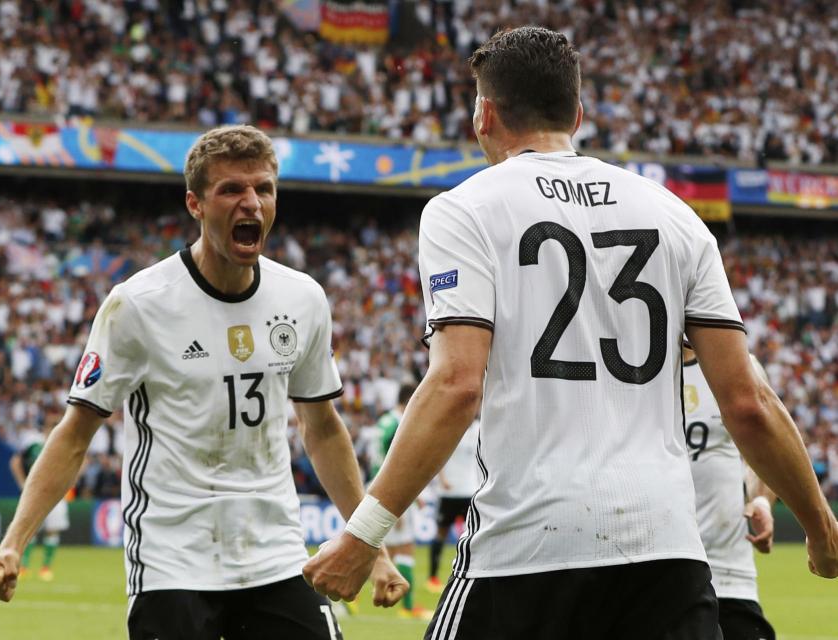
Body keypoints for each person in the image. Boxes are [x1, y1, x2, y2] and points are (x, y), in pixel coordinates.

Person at [303, 26, 838, 640]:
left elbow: (455, 385)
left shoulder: (463, 210)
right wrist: (821, 528)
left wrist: (363, 533)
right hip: (665, 551)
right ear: (578, 113)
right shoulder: (674, 215)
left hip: (530, 545)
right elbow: (748, 401)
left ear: (484, 114)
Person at [0, 124, 407, 639]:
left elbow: (321, 428)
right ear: (195, 204)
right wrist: (13, 544)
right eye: (231, 189)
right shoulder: (138, 304)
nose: (251, 203)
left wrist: (373, 548)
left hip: (273, 551)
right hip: (172, 559)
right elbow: (75, 434)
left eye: (264, 189)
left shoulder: (303, 298)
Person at [683, 343, 777, 640]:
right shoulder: (633, 373)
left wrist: (761, 499)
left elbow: (766, 449)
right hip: (665, 573)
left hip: (729, 575)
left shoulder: (738, 366)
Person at [368, 382, 432, 620]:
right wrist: (405, 504)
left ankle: (352, 600)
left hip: (376, 491)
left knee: (389, 552)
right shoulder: (398, 424)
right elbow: (399, 466)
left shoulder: (384, 421)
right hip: (390, 493)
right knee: (404, 549)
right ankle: (407, 608)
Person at [10, 417, 70, 582]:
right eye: (51, 425)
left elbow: (79, 461)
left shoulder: (66, 443)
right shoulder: (32, 443)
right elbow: (15, 461)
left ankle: (46, 568)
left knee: (52, 530)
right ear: (45, 427)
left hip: (57, 492)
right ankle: (23, 566)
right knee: (30, 529)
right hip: (34, 492)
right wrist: (22, 483)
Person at [426, 417, 479, 594]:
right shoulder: (451, 427)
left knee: (473, 534)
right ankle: (432, 577)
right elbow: (438, 454)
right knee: (441, 533)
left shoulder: (479, 429)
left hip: (470, 490)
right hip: (448, 491)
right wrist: (442, 479)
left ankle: (471, 574)